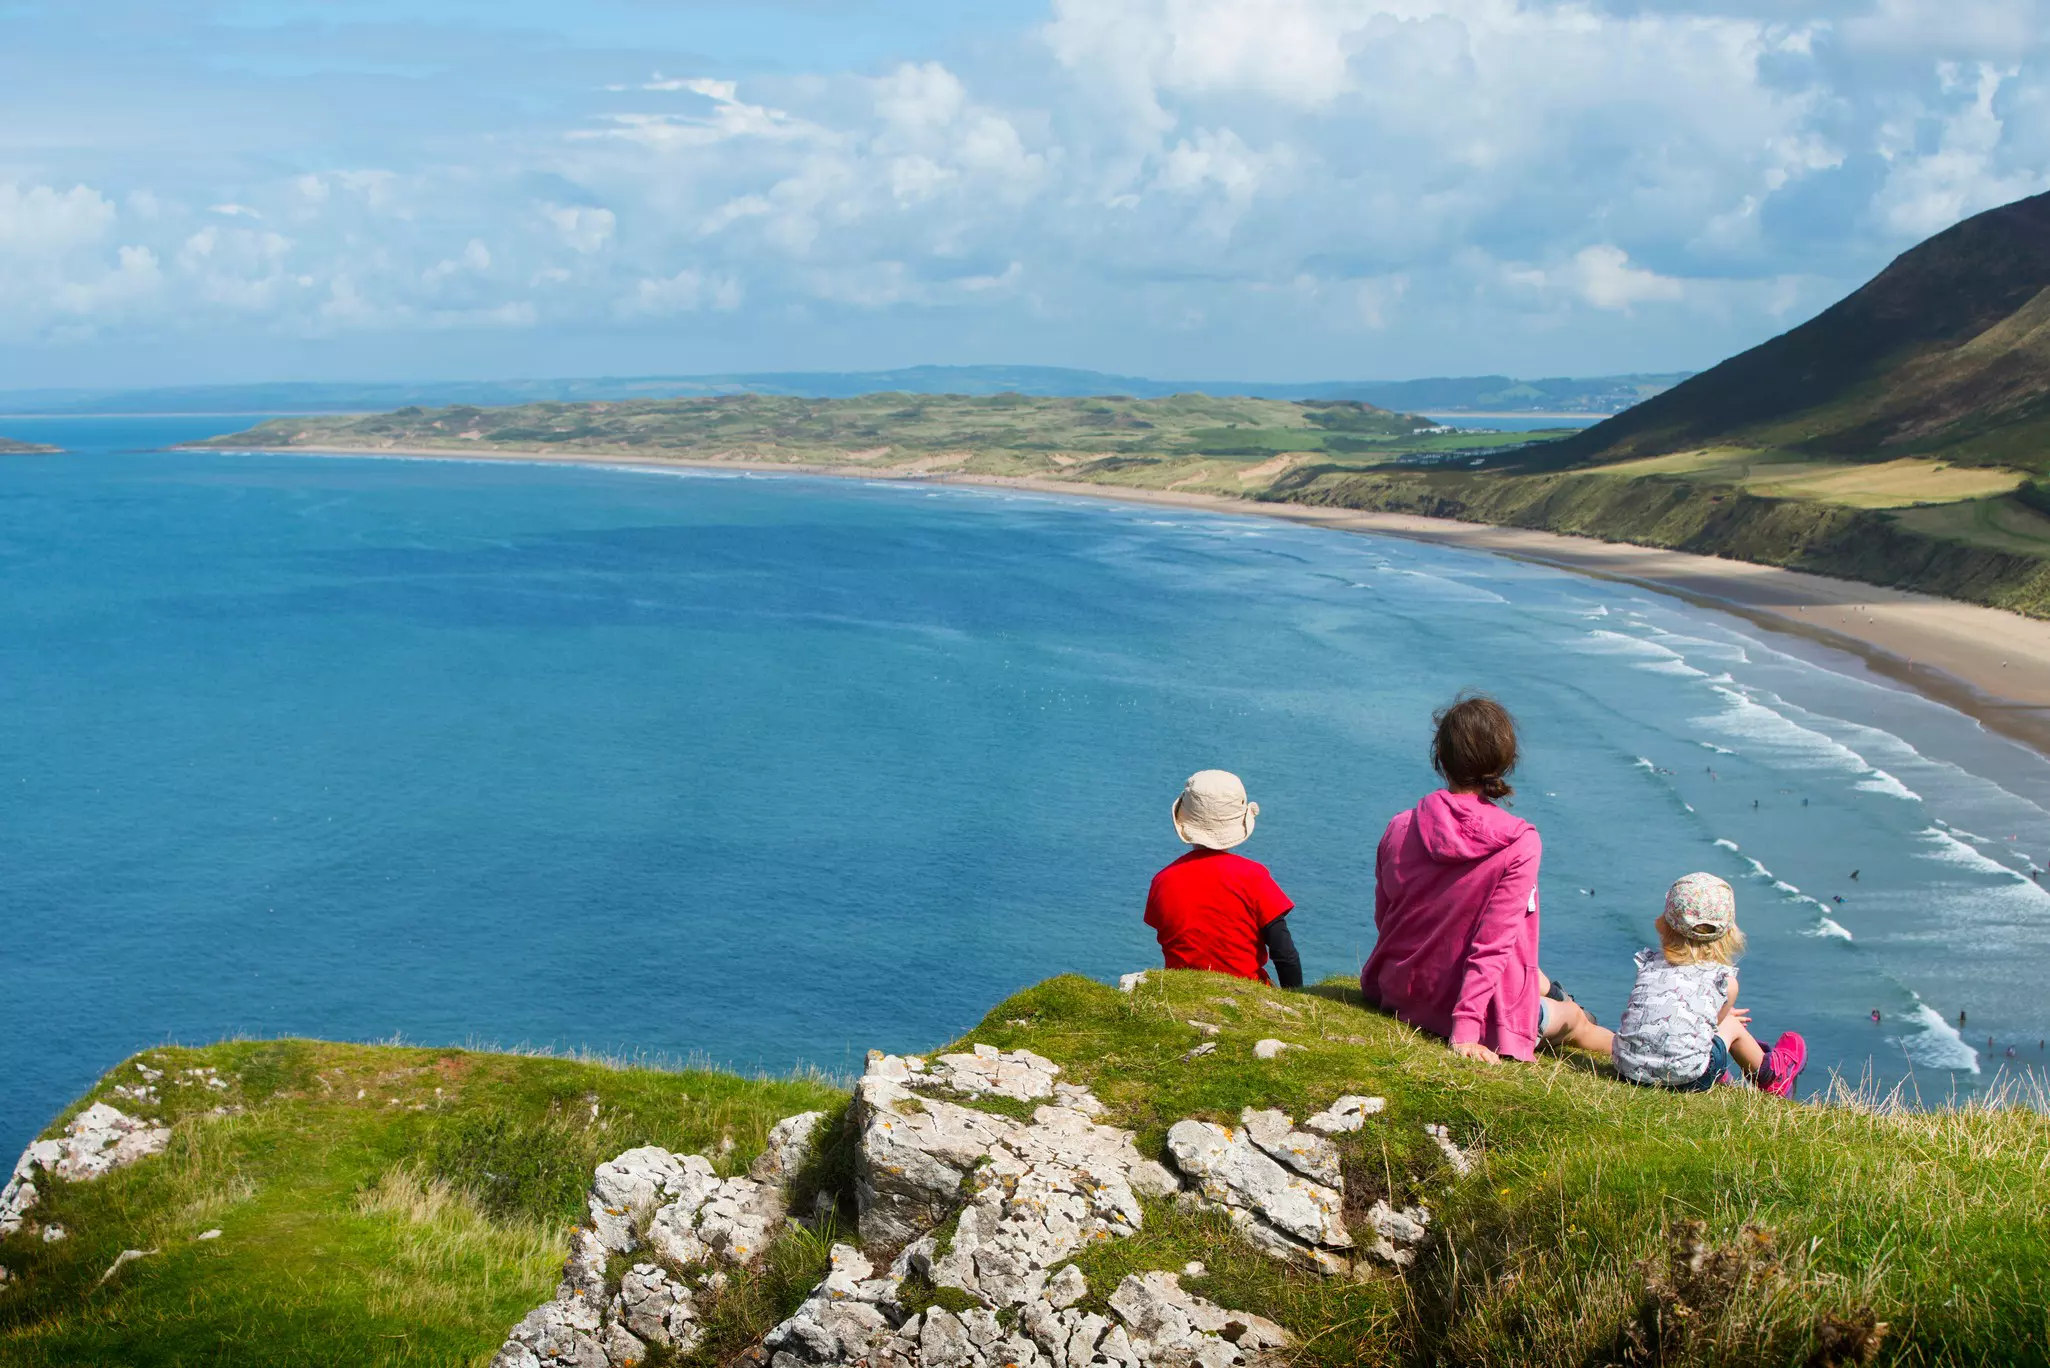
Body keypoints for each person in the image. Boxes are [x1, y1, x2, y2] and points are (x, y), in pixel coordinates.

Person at [1361, 694, 1611, 1063]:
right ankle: (1653, 1061)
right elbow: (1491, 945)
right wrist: (1465, 1031)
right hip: (1472, 1013)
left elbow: (1386, 917)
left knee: (1539, 980)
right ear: (1503, 763)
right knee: (1575, 1021)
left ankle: (1555, 994)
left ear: (1440, 757)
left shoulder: (1400, 826)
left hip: (1399, 990)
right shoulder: (1519, 842)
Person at [1611, 873, 1806, 1097]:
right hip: (1687, 1080)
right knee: (1731, 1025)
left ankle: (1736, 1073)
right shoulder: (1724, 981)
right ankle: (1772, 1076)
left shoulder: (1649, 965)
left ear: (1664, 923)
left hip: (1626, 1070)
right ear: (1729, 932)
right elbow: (1712, 1028)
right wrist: (1725, 1017)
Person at [1144, 770, 1302, 988]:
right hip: (1246, 993)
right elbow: (1285, 954)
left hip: (1180, 990)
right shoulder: (1253, 876)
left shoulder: (1162, 881)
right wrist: (1296, 1006)